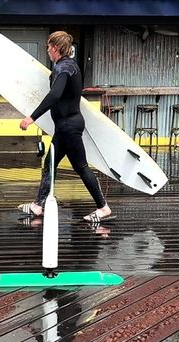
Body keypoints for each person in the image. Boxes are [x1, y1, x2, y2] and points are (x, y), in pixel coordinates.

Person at [19, 31, 112, 223]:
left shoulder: (64, 68)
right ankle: (37, 205)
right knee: (50, 164)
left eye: (48, 47)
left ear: (55, 47)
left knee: (81, 166)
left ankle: (103, 208)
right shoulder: (68, 66)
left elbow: (55, 95)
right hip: (64, 127)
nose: (47, 50)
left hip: (69, 127)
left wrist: (32, 118)